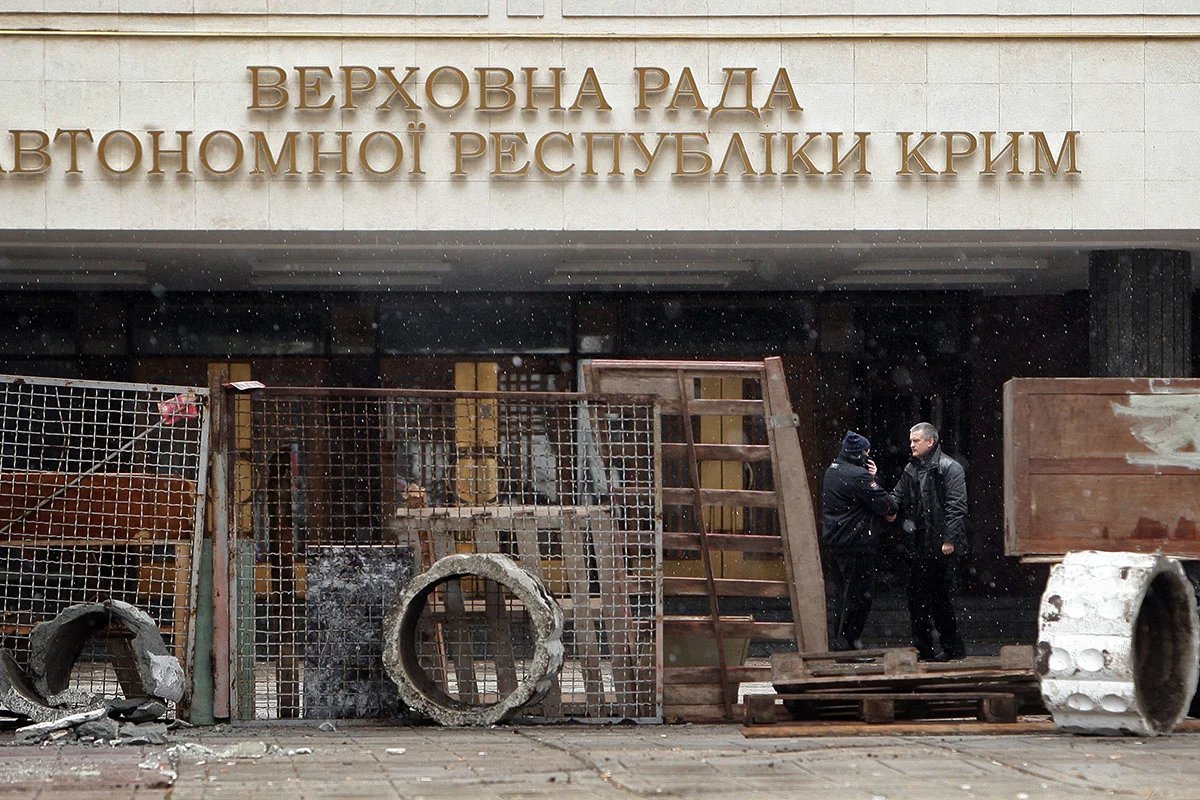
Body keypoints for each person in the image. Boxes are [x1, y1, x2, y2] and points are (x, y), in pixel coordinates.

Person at [890, 422, 968, 661]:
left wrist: (949, 539)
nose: (911, 445)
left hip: (939, 546)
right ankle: (924, 649)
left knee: (940, 599)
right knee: (917, 599)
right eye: (911, 440)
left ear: (930, 442)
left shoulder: (949, 467)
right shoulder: (911, 469)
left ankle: (952, 648)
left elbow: (957, 506)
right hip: (918, 545)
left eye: (915, 440)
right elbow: (897, 495)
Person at [821, 431, 898, 652]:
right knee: (859, 597)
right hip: (857, 543)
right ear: (858, 454)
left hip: (836, 543)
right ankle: (848, 644)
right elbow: (886, 505)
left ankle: (840, 642)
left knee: (842, 596)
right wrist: (874, 480)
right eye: (866, 452)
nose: (867, 456)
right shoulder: (859, 476)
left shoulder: (831, 471)